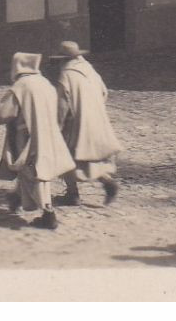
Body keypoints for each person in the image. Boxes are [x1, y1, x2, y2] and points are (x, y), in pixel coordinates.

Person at [0, 52, 73, 229]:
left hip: (28, 137)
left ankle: (48, 213)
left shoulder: (21, 86)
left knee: (33, 173)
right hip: (47, 135)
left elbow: (6, 113)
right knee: (35, 171)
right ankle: (17, 198)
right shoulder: (45, 83)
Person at [52, 41, 123, 206]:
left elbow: (62, 106)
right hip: (95, 118)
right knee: (89, 157)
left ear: (63, 59)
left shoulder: (66, 75)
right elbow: (104, 92)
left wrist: (57, 126)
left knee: (65, 155)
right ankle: (107, 182)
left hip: (76, 121)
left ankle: (72, 193)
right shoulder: (89, 69)